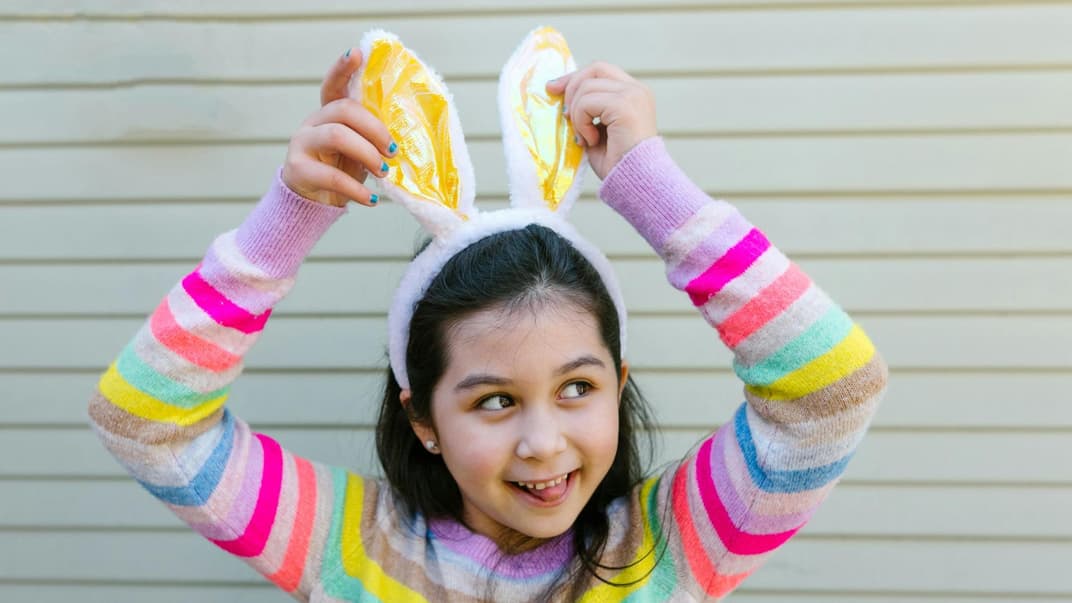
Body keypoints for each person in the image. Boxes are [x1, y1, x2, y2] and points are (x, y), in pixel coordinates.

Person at [89, 29, 887, 602]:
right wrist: (286, 221)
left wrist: (651, 187)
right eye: (494, 399)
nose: (544, 444)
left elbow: (834, 389)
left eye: (578, 387)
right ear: (423, 418)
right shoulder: (343, 544)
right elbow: (142, 420)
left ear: (620, 382)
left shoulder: (674, 544)